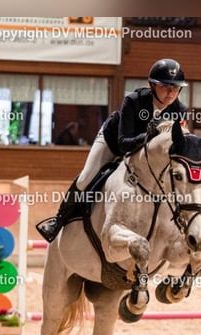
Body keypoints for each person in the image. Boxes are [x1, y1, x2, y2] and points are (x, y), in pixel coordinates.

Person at [36, 58, 189, 242]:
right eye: (165, 86)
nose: (171, 92)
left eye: (176, 87)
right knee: (87, 177)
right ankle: (58, 221)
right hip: (112, 141)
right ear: (153, 86)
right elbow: (123, 143)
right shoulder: (134, 101)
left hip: (144, 154)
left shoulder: (179, 110)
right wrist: (149, 136)